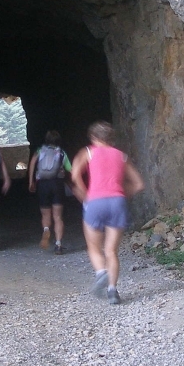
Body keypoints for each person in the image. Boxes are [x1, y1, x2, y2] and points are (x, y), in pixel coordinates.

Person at [69, 121, 144, 305]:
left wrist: (85, 195)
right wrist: (120, 194)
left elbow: (74, 175)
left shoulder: (88, 152)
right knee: (111, 250)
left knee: (94, 247)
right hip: (117, 203)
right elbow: (139, 184)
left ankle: (101, 273)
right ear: (112, 138)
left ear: (93, 138)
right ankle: (112, 290)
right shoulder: (121, 156)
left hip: (95, 201)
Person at [28, 130, 71, 254]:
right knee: (58, 216)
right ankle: (58, 244)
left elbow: (32, 164)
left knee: (45, 215)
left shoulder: (40, 150)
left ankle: (46, 229)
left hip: (43, 184)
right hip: (57, 183)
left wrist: (31, 181)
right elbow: (71, 169)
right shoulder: (61, 153)